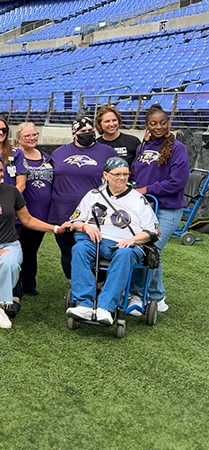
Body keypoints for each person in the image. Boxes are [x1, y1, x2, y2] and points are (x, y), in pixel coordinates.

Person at [0, 155, 68, 329]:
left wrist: (56, 228)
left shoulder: (11, 192)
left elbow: (27, 220)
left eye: (1, 170)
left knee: (8, 264)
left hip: (8, 245)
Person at [65, 157, 159, 325]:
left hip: (126, 243)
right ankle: (84, 304)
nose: (122, 178)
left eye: (126, 174)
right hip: (94, 240)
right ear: (106, 175)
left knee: (124, 255)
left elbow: (152, 231)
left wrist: (132, 239)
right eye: (117, 174)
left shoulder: (138, 199)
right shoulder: (93, 195)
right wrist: (86, 227)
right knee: (79, 249)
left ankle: (105, 307)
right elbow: (74, 221)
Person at [128, 105, 189, 314]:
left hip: (167, 209)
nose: (159, 127)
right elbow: (136, 175)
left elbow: (177, 182)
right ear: (147, 125)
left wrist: (147, 189)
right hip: (144, 208)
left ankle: (138, 295)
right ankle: (156, 295)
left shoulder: (177, 148)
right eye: (153, 123)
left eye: (163, 122)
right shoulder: (143, 147)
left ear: (168, 123)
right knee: (148, 251)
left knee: (150, 249)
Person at [49, 117, 117, 281]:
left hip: (95, 212)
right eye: (82, 131)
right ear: (74, 134)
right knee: (67, 250)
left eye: (90, 130)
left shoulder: (106, 151)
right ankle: (74, 284)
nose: (87, 133)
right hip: (63, 210)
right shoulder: (59, 153)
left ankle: (98, 285)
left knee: (96, 249)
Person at [14, 122, 53, 296]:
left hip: (41, 212)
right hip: (21, 211)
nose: (32, 138)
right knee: (20, 248)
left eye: (34, 134)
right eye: (27, 135)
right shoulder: (14, 156)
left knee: (32, 249)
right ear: (18, 138)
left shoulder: (46, 157)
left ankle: (29, 283)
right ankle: (17, 284)